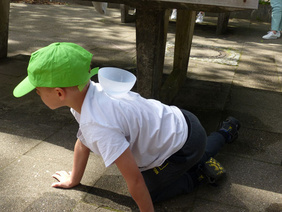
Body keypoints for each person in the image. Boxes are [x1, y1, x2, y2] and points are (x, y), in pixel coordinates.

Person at [13, 42, 241, 211]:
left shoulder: (99, 123)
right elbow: (83, 141)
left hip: (185, 144)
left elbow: (134, 180)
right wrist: (74, 178)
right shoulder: (89, 94)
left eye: (38, 90)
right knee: (190, 153)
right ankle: (224, 132)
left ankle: (199, 172)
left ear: (59, 93)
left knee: (148, 191)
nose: (36, 93)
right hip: (180, 120)